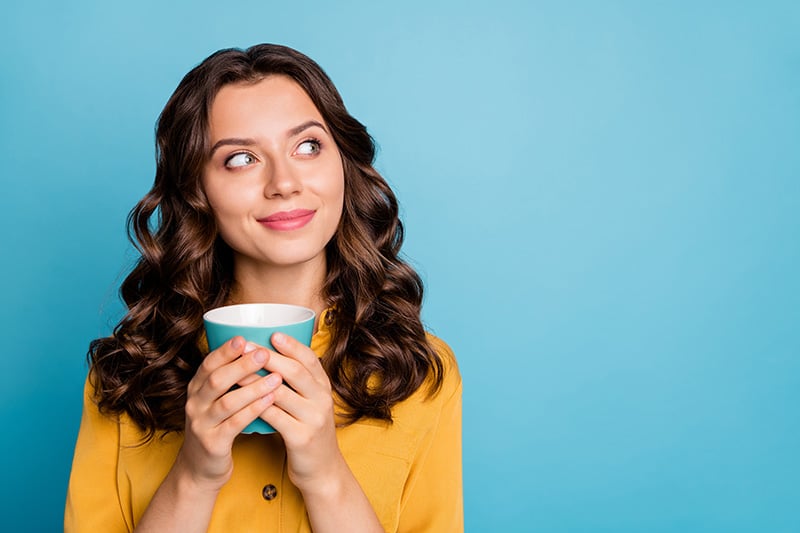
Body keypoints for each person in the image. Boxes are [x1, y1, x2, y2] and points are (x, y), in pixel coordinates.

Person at [64, 43, 462, 533]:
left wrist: (325, 476)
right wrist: (193, 476)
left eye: (308, 146)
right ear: (196, 190)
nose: (284, 183)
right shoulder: (125, 375)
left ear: (343, 163)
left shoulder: (419, 373)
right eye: (241, 159)